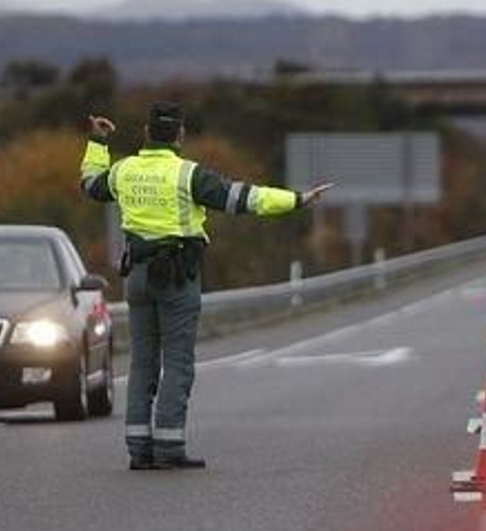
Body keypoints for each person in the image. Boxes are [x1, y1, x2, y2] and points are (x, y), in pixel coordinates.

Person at [80, 101, 332, 469]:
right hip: (177, 278)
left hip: (137, 277)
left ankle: (139, 448)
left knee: (142, 363)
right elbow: (244, 198)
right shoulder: (189, 175)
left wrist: (98, 142)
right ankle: (169, 447)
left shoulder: (123, 170)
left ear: (147, 133)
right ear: (180, 135)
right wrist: (296, 199)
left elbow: (90, 185)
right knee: (177, 364)